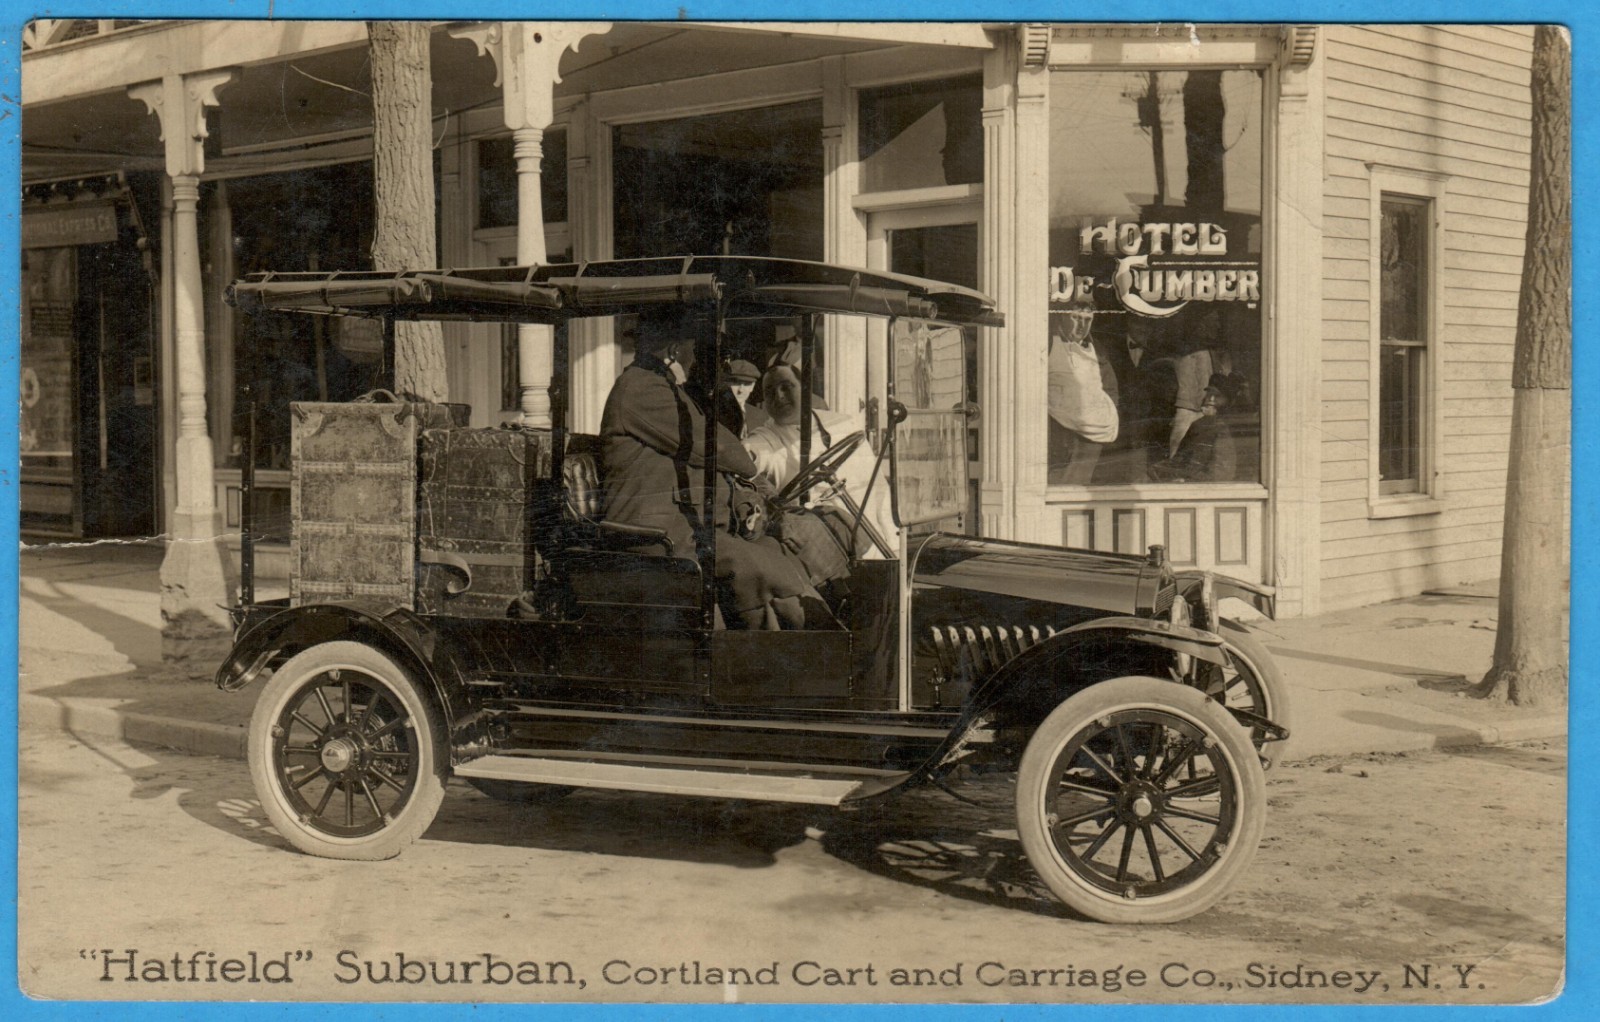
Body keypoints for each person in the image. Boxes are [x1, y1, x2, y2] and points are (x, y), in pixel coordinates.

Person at [599, 309, 813, 629]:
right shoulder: (642, 388)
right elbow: (712, 446)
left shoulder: (663, 388)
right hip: (654, 534)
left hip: (683, 528)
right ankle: (770, 653)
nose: (694, 356)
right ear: (674, 349)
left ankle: (782, 640)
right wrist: (758, 481)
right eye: (690, 346)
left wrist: (747, 503)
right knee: (758, 567)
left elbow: (704, 462)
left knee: (775, 552)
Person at [744, 362, 898, 567]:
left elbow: (877, 486)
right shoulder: (767, 437)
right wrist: (744, 453)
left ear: (804, 389)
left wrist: (893, 543)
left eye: (786, 387)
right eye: (769, 391)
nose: (778, 396)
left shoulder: (843, 424)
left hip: (872, 539)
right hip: (825, 548)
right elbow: (751, 452)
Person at [1148, 373, 1238, 482]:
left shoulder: (1219, 426)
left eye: (1217, 396)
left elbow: (1217, 471)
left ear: (1228, 401)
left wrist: (1185, 481)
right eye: (1209, 394)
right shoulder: (1203, 423)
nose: (1211, 399)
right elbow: (1183, 458)